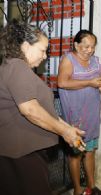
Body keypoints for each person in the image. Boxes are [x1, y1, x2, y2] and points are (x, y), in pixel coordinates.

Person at [0, 20, 86, 195]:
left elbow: (44, 110)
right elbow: (30, 110)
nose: (45, 56)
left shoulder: (16, 67)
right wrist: (64, 131)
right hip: (20, 154)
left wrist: (68, 128)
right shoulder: (17, 67)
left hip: (23, 151)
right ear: (25, 46)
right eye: (42, 50)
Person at [58, 30, 101, 195]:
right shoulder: (68, 59)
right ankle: (78, 191)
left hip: (92, 115)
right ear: (76, 45)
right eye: (85, 46)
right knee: (76, 155)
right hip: (75, 116)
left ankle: (91, 188)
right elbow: (62, 82)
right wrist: (89, 82)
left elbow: (98, 80)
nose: (89, 50)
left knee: (90, 151)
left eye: (92, 47)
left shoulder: (95, 61)